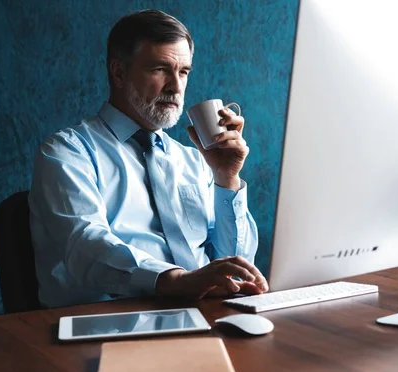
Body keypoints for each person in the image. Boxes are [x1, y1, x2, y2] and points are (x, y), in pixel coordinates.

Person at [28, 9, 268, 308]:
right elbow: (85, 245)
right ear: (118, 72)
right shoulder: (67, 153)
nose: (176, 86)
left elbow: (236, 265)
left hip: (203, 313)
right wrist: (177, 281)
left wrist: (226, 178)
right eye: (160, 69)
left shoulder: (195, 161)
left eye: (183, 72)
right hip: (107, 322)